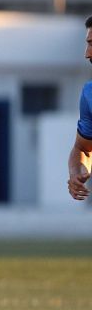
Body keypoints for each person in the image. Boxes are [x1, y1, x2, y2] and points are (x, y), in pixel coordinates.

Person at [66, 15, 92, 201]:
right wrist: (77, 171)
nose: (87, 54)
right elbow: (84, 148)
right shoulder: (89, 94)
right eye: (88, 44)